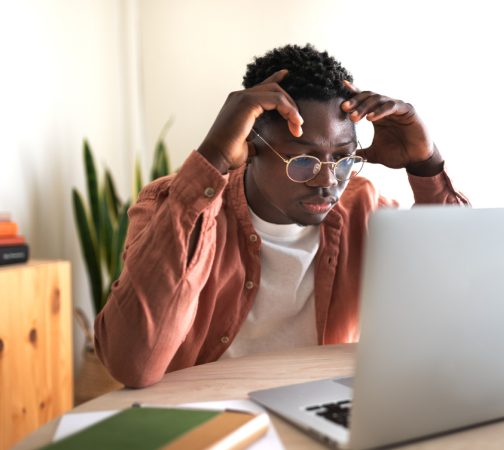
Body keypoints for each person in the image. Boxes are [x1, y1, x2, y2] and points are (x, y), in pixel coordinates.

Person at [95, 44, 469, 388]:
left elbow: (459, 302)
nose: (328, 181)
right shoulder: (171, 203)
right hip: (202, 416)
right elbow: (133, 364)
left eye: (342, 159)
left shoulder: (363, 210)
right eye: (303, 160)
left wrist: (426, 164)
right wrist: (212, 158)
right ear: (250, 145)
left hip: (315, 410)